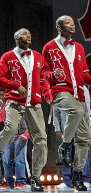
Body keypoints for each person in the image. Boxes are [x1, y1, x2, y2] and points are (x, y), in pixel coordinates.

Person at [41, 16, 91, 191]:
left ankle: (77, 176)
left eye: (73, 23)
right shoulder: (49, 47)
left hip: (79, 93)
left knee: (84, 139)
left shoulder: (79, 47)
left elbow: (83, 73)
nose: (72, 25)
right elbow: (44, 73)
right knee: (75, 111)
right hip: (60, 91)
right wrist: (54, 75)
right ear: (58, 27)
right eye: (68, 23)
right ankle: (66, 145)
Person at [0, 28, 52, 192]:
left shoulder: (38, 56)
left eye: (30, 33)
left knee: (41, 139)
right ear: (16, 38)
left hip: (34, 103)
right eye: (24, 33)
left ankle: (35, 177)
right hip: (15, 100)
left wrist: (48, 94)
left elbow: (43, 78)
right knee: (11, 128)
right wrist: (15, 86)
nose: (28, 35)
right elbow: (1, 77)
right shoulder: (7, 57)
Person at [53, 85, 91, 189]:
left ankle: (84, 178)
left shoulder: (83, 89)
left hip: (80, 126)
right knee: (66, 152)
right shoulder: (59, 88)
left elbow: (87, 110)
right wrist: (57, 129)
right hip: (66, 127)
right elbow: (55, 112)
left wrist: (88, 126)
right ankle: (67, 179)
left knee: (82, 150)